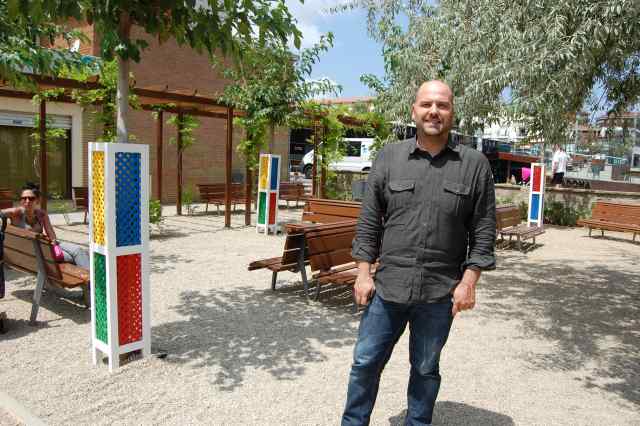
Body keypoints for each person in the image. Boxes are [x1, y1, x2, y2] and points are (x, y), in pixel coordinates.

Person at [341, 80, 496, 426]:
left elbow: (484, 231)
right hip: (387, 288)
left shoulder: (474, 165)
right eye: (426, 104)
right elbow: (369, 221)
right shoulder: (389, 157)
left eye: (442, 105)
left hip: (439, 292)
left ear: (452, 112)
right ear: (414, 111)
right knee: (365, 363)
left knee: (425, 369)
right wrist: (363, 274)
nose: (434, 112)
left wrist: (468, 282)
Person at [0, 183, 90, 270]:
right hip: (33, 252)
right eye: (24, 198)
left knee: (78, 250)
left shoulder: (41, 214)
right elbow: (2, 213)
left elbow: (50, 233)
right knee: (72, 258)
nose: (27, 201)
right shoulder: (16, 213)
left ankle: (91, 278)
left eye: (31, 198)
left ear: (37, 200)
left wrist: (54, 243)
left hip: (45, 245)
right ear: (21, 200)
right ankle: (90, 278)